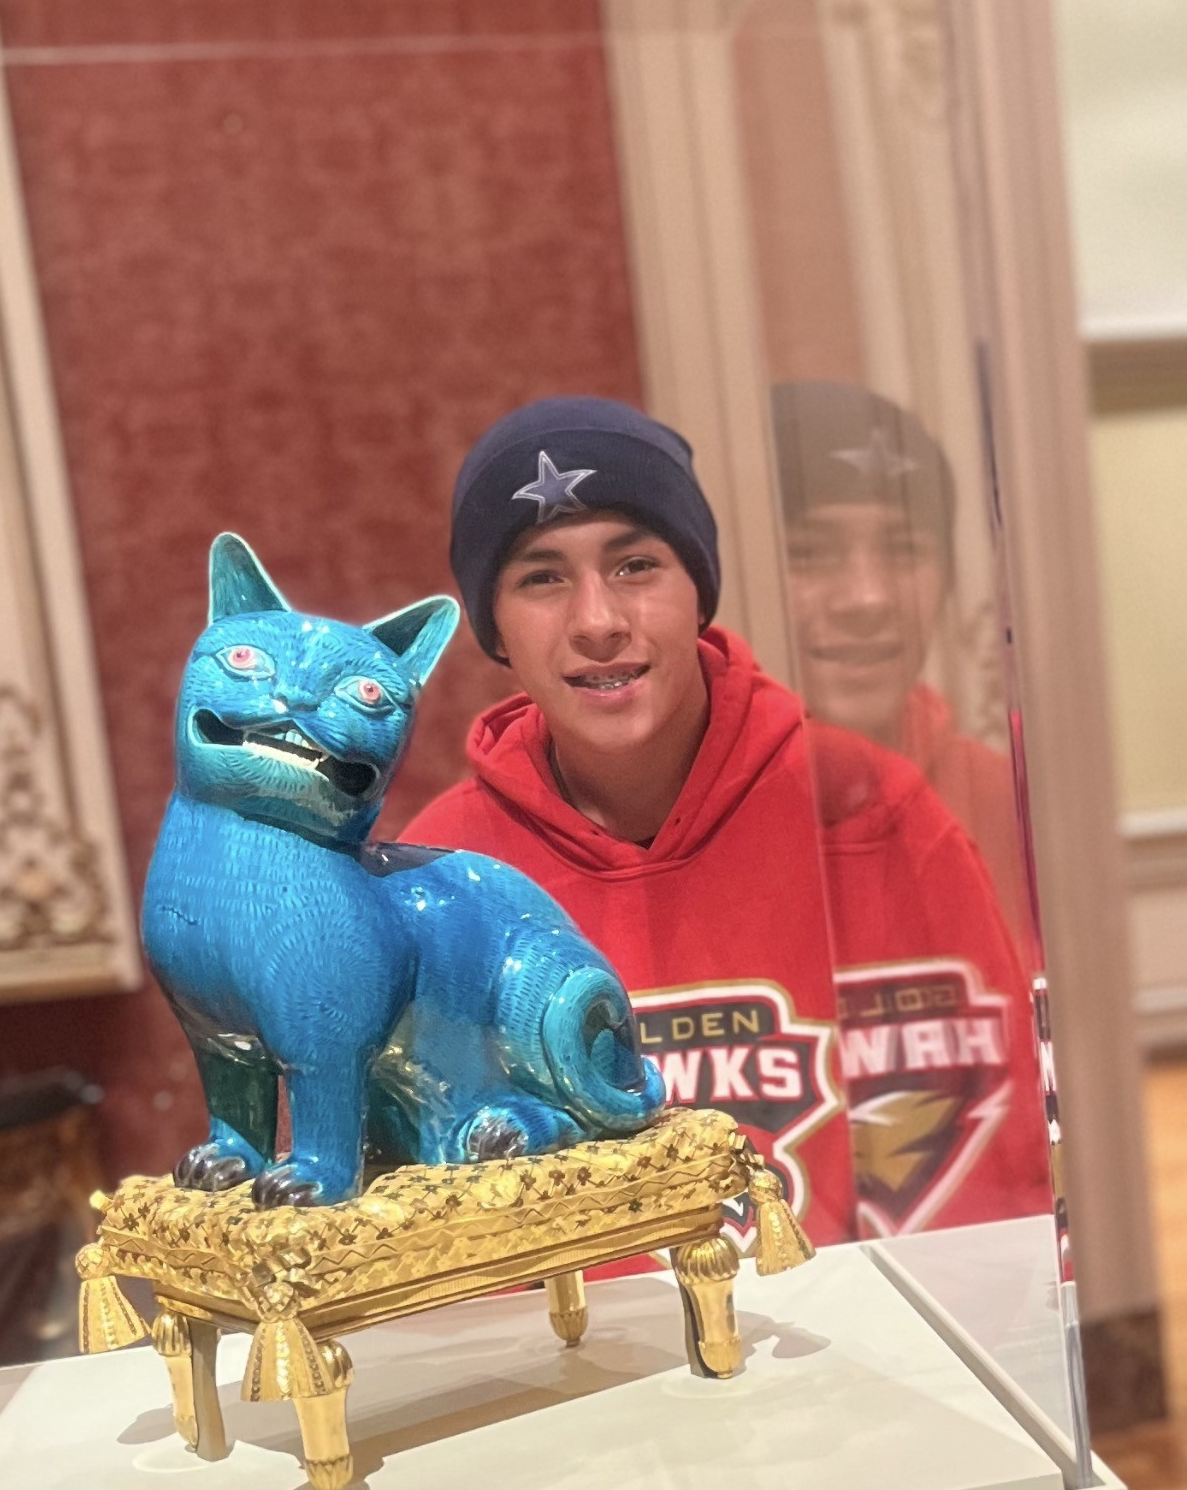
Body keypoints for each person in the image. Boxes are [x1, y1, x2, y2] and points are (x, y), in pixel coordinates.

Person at [400, 395, 1050, 1241]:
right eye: (542, 578)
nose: (598, 622)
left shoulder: (867, 808)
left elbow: (1004, 1163)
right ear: (495, 630)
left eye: (636, 566)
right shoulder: (439, 880)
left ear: (699, 594)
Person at [770, 380, 1032, 947]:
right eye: (809, 553)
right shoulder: (685, 819)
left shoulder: (1010, 804)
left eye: (904, 549)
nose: (868, 597)